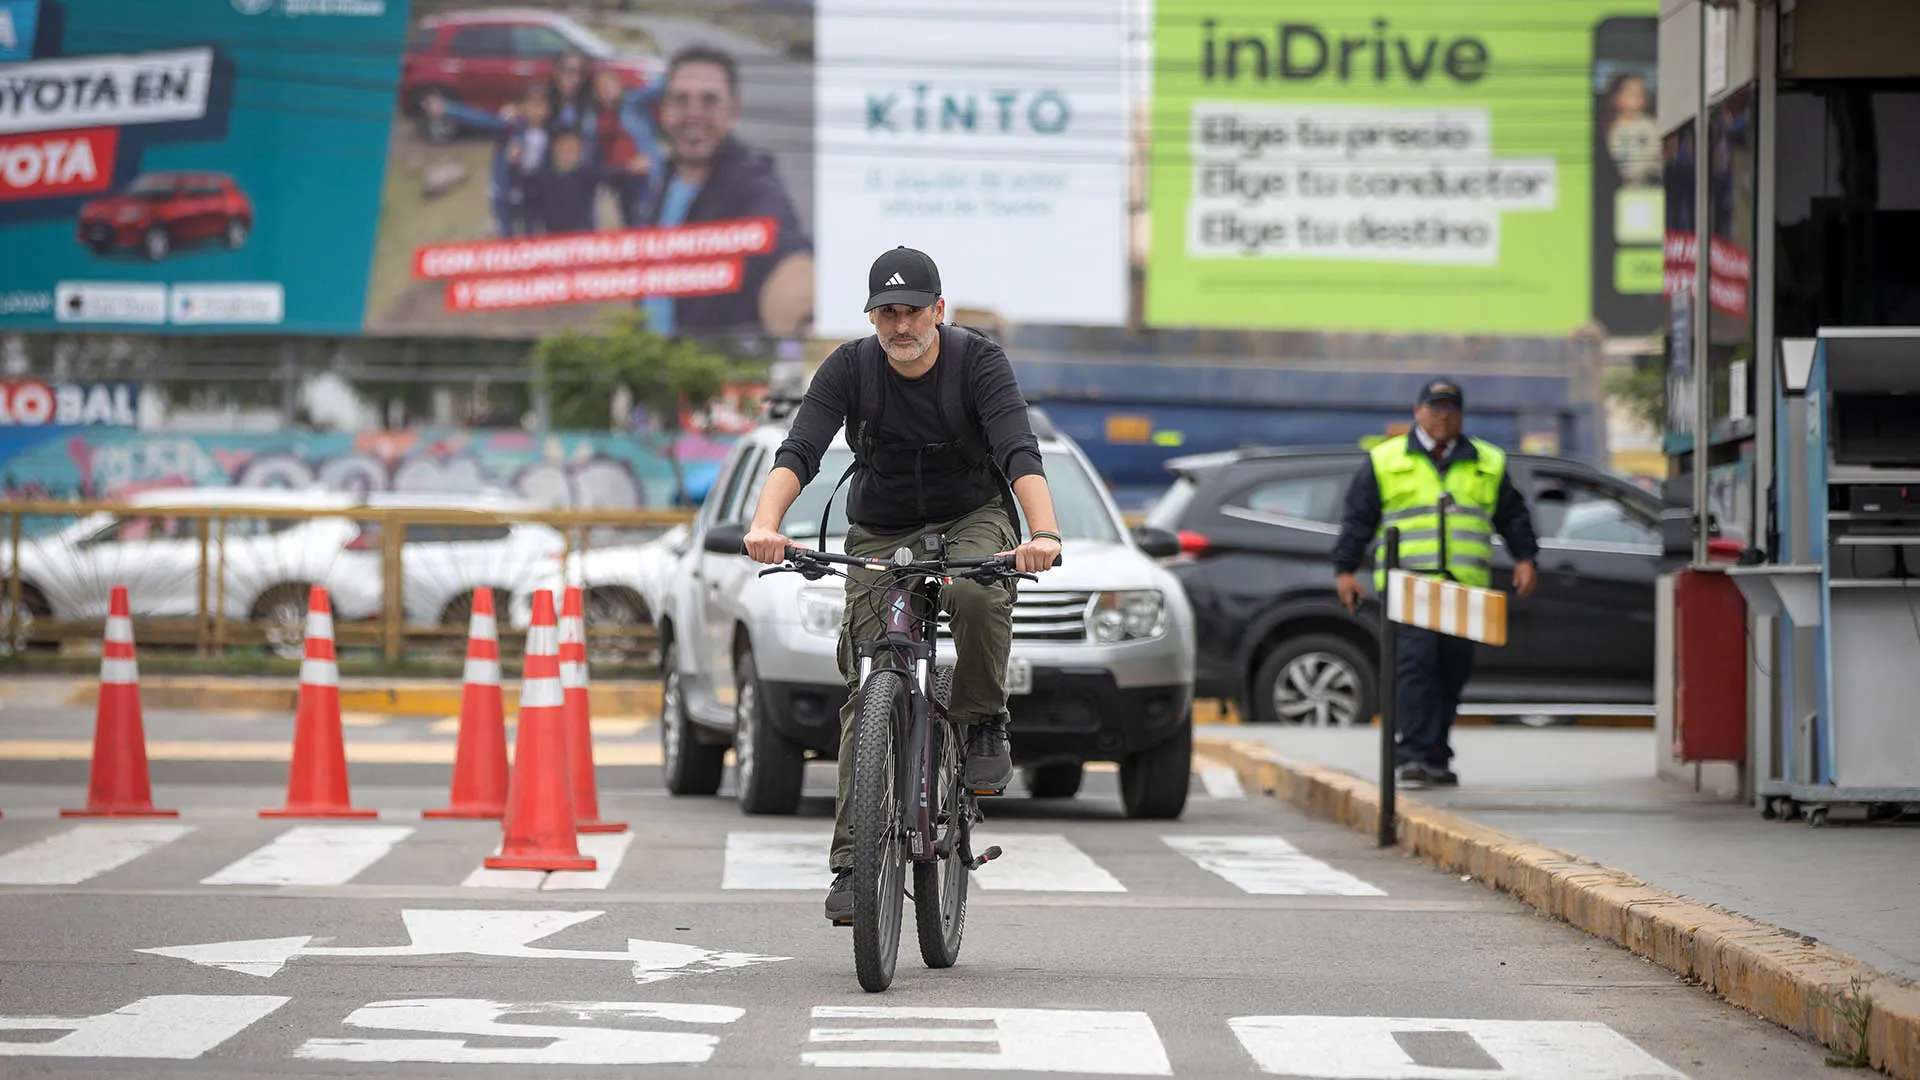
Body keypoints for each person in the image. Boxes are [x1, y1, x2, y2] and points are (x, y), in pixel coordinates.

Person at [738, 247, 1063, 923]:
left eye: (912, 310)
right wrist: (766, 523)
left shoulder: (978, 362)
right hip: (882, 529)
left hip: (971, 516)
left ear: (937, 310)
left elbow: (1017, 449)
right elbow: (800, 449)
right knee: (869, 681)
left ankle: (982, 724)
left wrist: (1044, 534)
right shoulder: (849, 368)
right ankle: (854, 864)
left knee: (976, 594)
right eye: (886, 312)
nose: (900, 325)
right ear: (872, 318)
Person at [1330, 378, 1540, 787]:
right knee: (1416, 666)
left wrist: (1525, 558)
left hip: (1463, 585)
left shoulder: (1487, 461)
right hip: (1410, 584)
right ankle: (1413, 754)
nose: (1443, 416)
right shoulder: (1385, 459)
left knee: (1451, 670)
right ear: (1417, 411)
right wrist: (1345, 570)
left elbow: (1513, 516)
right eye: (1435, 407)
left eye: (1450, 408)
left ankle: (1436, 754)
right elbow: (1357, 520)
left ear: (1461, 414)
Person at [634, 45, 812, 340]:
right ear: (664, 111)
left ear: (732, 114)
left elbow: (783, 247)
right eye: (681, 100)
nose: (693, 115)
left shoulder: (750, 182)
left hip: (711, 363)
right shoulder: (663, 177)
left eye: (709, 101)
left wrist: (802, 311)